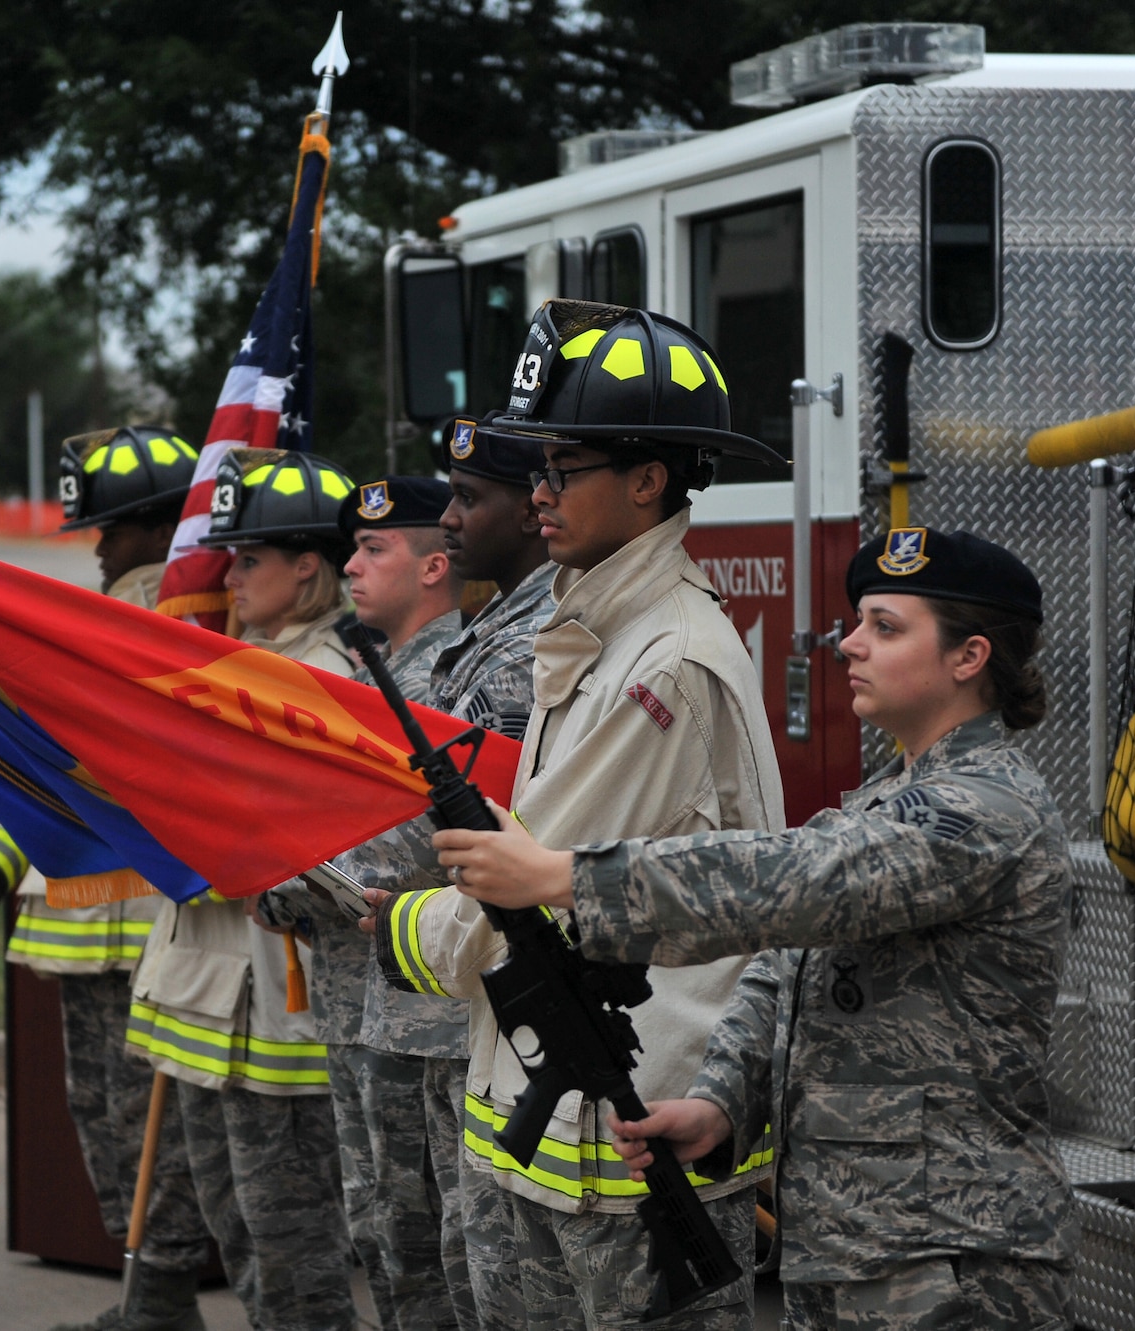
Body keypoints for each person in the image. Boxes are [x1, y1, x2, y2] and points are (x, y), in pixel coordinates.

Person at [434, 529, 1079, 1331]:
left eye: (886, 626)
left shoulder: (983, 811)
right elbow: (786, 966)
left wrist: (564, 877)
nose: (849, 644)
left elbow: (790, 881)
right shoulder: (893, 793)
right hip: (860, 1246)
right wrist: (722, 1102)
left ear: (969, 656)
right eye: (860, 622)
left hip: (956, 1259)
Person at [372, 302, 788, 1329]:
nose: (539, 492)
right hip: (555, 1134)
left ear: (647, 481)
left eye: (565, 468)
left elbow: (526, 879)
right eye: (538, 467)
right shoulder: (595, 624)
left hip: (632, 1148)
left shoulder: (664, 663)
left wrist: (385, 926)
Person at [0, 426, 212, 1331]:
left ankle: (161, 1306)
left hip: (156, 937)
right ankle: (149, 1306)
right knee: (111, 1133)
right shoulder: (91, 625)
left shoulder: (182, 635)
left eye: (112, 530)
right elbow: (30, 783)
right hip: (82, 942)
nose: (95, 546)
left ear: (165, 528)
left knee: (160, 1144)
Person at [126, 449, 360, 1331]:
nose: (230, 573)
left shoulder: (329, 673)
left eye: (250, 557)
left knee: (292, 1241)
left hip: (277, 1007)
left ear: (309, 565)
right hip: (209, 994)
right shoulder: (239, 661)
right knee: (240, 1226)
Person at [339, 419, 559, 1331]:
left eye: (473, 498)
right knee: (424, 1247)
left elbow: (440, 824)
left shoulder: (518, 650)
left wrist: (312, 865)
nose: (457, 515)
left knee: (473, 1267)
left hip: (463, 992)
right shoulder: (487, 638)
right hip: (421, 984)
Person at [253, 475, 465, 1330]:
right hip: (362, 999)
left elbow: (412, 836)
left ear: (434, 566)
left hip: (425, 1011)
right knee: (381, 1227)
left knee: (433, 1246)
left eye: (375, 549)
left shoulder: (449, 676)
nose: (351, 565)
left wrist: (280, 879)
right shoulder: (372, 680)